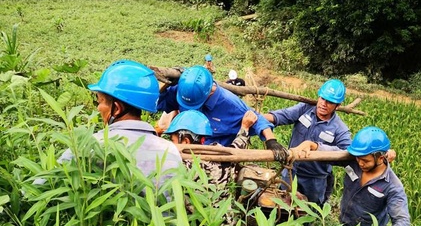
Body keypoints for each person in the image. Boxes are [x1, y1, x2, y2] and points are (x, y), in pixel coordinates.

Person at [57, 60, 183, 192]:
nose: (98, 108)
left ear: (116, 109)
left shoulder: (90, 145)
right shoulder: (169, 150)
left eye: (100, 102)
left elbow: (45, 184)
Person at [157, 65, 289, 163]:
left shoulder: (230, 103)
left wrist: (271, 140)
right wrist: (165, 84)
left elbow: (256, 118)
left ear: (208, 93)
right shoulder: (184, 90)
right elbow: (158, 103)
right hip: (185, 156)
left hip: (217, 161)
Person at [263, 79, 351, 205]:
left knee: (308, 211)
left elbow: (348, 154)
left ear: (338, 106)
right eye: (322, 98)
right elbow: (283, 115)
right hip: (290, 171)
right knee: (284, 206)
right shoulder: (305, 109)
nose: (323, 104)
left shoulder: (339, 129)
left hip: (314, 180)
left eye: (330, 102)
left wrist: (316, 147)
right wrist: (261, 118)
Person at [339, 126, 410, 226]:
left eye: (365, 161)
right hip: (342, 223)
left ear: (381, 158)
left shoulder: (392, 186)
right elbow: (332, 152)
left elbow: (401, 220)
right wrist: (313, 146)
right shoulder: (356, 160)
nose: (360, 163)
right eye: (358, 158)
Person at [165, 109, 257, 188]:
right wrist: (244, 128)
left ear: (186, 141)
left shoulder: (179, 166)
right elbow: (236, 148)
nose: (171, 144)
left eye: (173, 140)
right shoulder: (220, 155)